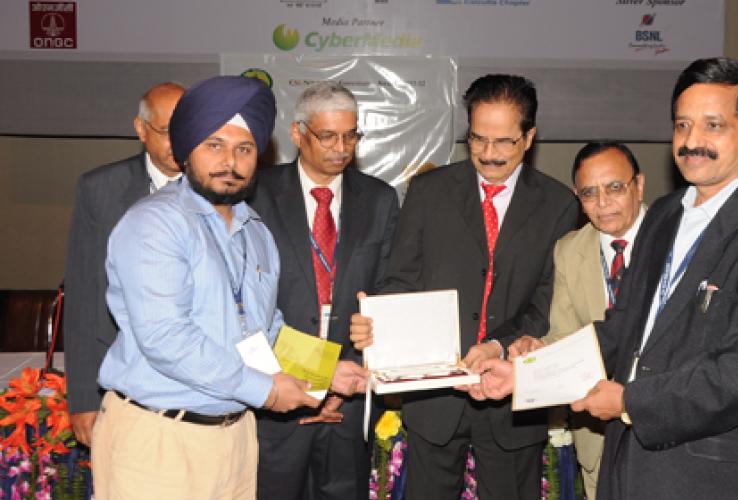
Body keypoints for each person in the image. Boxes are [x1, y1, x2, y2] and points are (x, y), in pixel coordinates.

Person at [474, 57, 738, 500]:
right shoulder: (663, 215)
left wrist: (628, 403)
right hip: (628, 460)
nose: (691, 141)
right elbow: (622, 330)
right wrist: (525, 374)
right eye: (682, 126)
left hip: (710, 472)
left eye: (712, 126)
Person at [90, 75, 368, 500]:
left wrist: (325, 370)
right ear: (187, 151)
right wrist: (268, 390)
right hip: (160, 438)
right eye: (214, 145)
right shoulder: (155, 225)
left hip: (236, 441)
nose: (230, 162)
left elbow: (265, 330)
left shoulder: (255, 231)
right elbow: (167, 338)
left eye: (244, 148)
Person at [351, 74, 579, 499]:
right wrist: (380, 320)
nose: (489, 155)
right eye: (478, 139)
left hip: (511, 397)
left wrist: (497, 344)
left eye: (504, 142)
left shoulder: (559, 204)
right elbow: (402, 278)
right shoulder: (429, 190)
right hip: (435, 399)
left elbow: (547, 301)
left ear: (529, 137)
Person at [250, 81, 399, 500]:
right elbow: (245, 306)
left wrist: (341, 383)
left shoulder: (380, 199)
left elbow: (387, 292)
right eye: (328, 135)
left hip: (349, 401)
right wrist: (315, 380)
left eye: (350, 135)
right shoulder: (255, 195)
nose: (342, 147)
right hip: (276, 395)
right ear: (297, 134)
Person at [511, 141, 646, 500]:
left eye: (615, 188)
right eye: (589, 193)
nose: (602, 203)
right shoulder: (569, 250)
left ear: (639, 185)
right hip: (597, 430)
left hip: (663, 425)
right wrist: (535, 353)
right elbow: (564, 336)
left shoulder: (674, 238)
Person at [64, 82, 184, 447]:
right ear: (140, 129)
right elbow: (84, 295)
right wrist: (83, 397)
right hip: (120, 379)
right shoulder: (101, 189)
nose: (178, 143)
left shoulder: (222, 187)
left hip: (200, 386)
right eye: (166, 132)